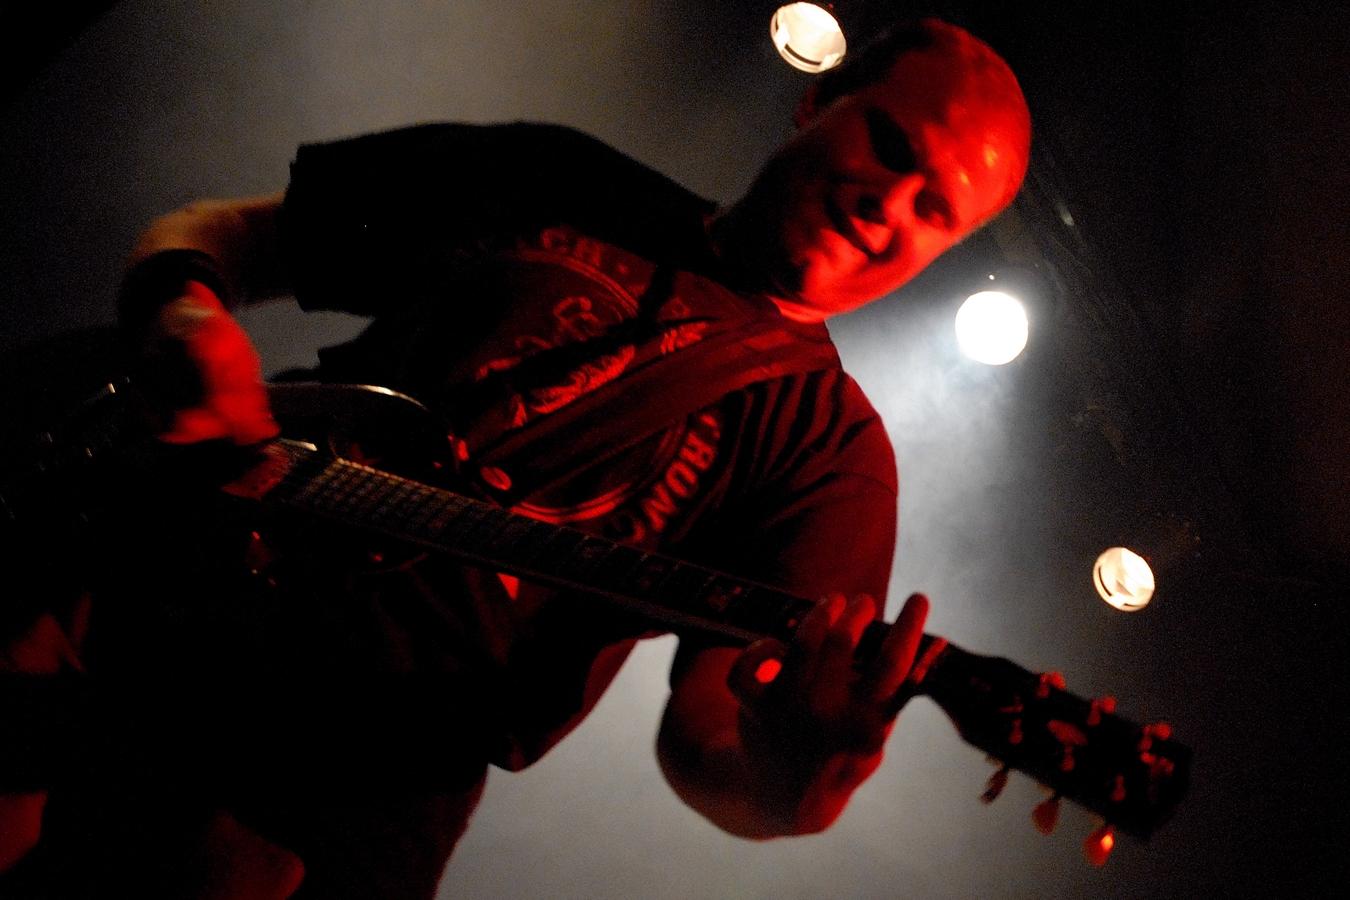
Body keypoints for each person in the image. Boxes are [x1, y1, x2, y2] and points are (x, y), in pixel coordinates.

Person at [0, 18, 1030, 899]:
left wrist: (790, 783)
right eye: (890, 143)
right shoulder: (560, 178)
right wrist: (183, 315)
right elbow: (220, 235)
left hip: (331, 797)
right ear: (819, 98)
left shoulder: (831, 453)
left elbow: (706, 734)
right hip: (126, 590)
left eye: (935, 209)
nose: (891, 203)